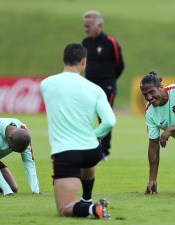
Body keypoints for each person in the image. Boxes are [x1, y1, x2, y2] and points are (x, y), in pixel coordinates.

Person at [40, 43, 116, 219]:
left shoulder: (46, 84)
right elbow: (110, 121)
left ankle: (92, 209)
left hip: (66, 152)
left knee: (64, 208)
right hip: (92, 151)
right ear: (83, 62)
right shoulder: (95, 89)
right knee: (86, 160)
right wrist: (95, 135)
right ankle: (87, 198)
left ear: (62, 60)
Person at [82, 10, 125, 160]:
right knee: (86, 116)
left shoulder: (110, 42)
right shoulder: (85, 43)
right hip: (89, 87)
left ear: (98, 25)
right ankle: (86, 145)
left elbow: (120, 64)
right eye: (84, 25)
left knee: (105, 118)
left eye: (88, 25)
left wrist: (110, 80)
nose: (86, 28)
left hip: (107, 86)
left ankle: (103, 151)